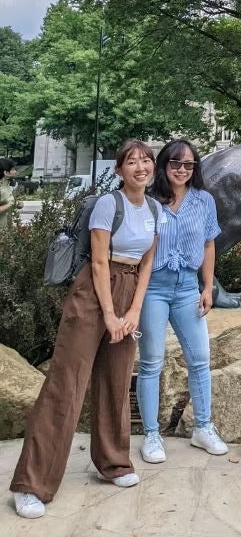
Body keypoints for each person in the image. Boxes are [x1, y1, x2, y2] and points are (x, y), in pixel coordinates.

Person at [10, 139, 161, 519]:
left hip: (129, 292)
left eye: (145, 160)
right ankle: (32, 483)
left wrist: (133, 312)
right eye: (131, 161)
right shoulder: (109, 204)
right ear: (119, 169)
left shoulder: (155, 209)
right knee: (67, 384)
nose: (139, 167)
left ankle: (114, 462)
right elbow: (97, 262)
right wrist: (110, 315)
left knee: (116, 381)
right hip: (94, 292)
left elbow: (147, 265)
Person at [137, 139, 228, 463]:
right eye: (175, 163)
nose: (181, 170)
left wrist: (208, 287)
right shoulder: (149, 201)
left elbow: (208, 245)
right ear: (164, 165)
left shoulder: (204, 200)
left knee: (200, 358)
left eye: (188, 164)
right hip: (153, 289)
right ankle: (151, 434)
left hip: (188, 287)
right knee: (151, 361)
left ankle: (203, 427)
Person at [0, 158, 18, 230]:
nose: (15, 171)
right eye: (13, 169)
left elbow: (8, 203)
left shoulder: (8, 185)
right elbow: (8, 204)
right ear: (6, 172)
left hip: (7, 228)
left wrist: (17, 204)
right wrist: (9, 204)